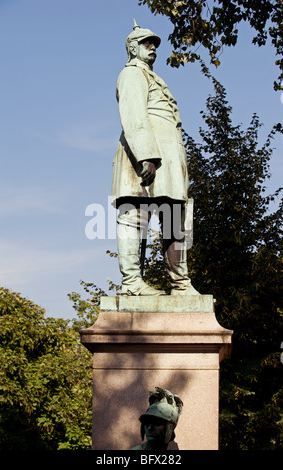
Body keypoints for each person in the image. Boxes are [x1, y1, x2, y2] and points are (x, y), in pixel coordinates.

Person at [111, 20, 199, 296]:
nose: (153, 47)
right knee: (134, 217)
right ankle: (132, 283)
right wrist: (146, 156)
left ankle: (181, 284)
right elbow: (134, 116)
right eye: (146, 43)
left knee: (175, 218)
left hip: (169, 161)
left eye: (155, 44)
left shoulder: (154, 78)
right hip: (144, 157)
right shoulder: (132, 75)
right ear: (132, 48)